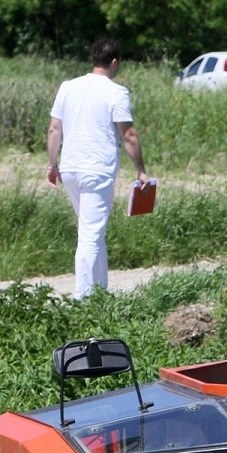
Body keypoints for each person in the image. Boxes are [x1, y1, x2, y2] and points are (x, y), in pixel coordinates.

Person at [46, 37, 150, 299]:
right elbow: (129, 136)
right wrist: (141, 170)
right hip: (97, 169)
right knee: (90, 234)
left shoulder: (67, 86)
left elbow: (54, 129)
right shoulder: (116, 92)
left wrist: (52, 164)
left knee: (91, 229)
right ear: (114, 62)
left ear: (94, 59)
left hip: (70, 168)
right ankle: (83, 298)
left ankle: (100, 292)